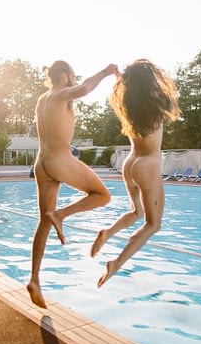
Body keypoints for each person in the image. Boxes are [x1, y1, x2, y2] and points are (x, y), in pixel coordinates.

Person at [27, 60, 118, 308]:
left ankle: (34, 279)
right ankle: (61, 215)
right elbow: (84, 89)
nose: (75, 79)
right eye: (73, 75)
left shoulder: (42, 99)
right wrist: (106, 71)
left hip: (42, 163)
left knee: (43, 223)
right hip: (59, 160)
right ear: (65, 75)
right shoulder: (62, 94)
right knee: (102, 195)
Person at [90, 59, 180, 287]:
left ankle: (108, 232)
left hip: (129, 163)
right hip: (147, 165)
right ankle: (116, 263)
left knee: (136, 212)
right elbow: (171, 101)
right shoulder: (156, 103)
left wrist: (117, 75)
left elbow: (124, 85)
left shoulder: (128, 104)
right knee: (152, 225)